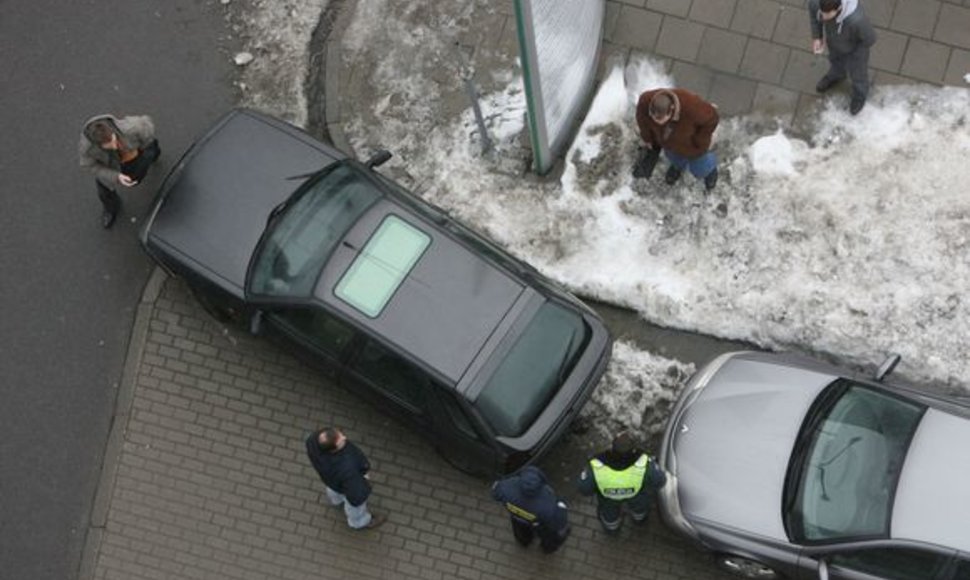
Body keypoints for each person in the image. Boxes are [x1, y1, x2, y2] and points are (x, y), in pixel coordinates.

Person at [79, 114, 161, 229]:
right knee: (105, 190)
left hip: (134, 154)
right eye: (108, 146)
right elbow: (90, 166)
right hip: (110, 165)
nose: (114, 146)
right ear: (97, 145)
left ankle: (155, 155)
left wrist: (147, 150)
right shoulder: (87, 149)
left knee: (150, 154)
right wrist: (115, 176)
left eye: (113, 140)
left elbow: (148, 129)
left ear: (112, 131)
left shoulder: (133, 127)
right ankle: (111, 208)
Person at [576, 432, 667, 534]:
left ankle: (612, 530)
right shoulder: (645, 464)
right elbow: (660, 481)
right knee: (640, 508)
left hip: (608, 499)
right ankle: (639, 520)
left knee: (609, 515)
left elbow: (584, 489)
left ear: (612, 448)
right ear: (634, 450)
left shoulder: (596, 466)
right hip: (637, 496)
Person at [633, 88, 719, 191]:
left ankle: (709, 172)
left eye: (661, 119)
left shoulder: (692, 106)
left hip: (693, 147)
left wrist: (700, 140)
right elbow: (642, 120)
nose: (657, 122)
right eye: (654, 118)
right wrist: (648, 138)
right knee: (675, 158)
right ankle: (678, 167)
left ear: (672, 109)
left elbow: (712, 118)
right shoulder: (645, 100)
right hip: (669, 144)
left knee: (701, 167)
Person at [305, 427, 386, 530]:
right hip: (347, 485)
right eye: (341, 440)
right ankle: (360, 522)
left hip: (331, 481)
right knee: (355, 508)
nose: (344, 437)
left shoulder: (313, 443)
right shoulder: (348, 469)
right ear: (335, 448)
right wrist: (364, 485)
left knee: (334, 491)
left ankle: (336, 501)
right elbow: (356, 495)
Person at [808, 0, 877, 115]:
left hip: (855, 52)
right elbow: (814, 17)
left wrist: (854, 54)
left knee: (858, 75)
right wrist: (817, 37)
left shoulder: (857, 20)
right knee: (835, 62)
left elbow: (870, 39)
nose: (823, 17)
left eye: (828, 14)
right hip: (835, 43)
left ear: (839, 9)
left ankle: (860, 95)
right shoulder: (816, 3)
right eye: (822, 13)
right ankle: (836, 75)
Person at [491, 466, 570, 553]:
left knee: (521, 533)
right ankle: (546, 549)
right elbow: (558, 522)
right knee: (550, 537)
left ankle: (523, 542)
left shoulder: (507, 486)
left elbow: (495, 493)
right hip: (538, 523)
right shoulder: (548, 501)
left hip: (517, 519)